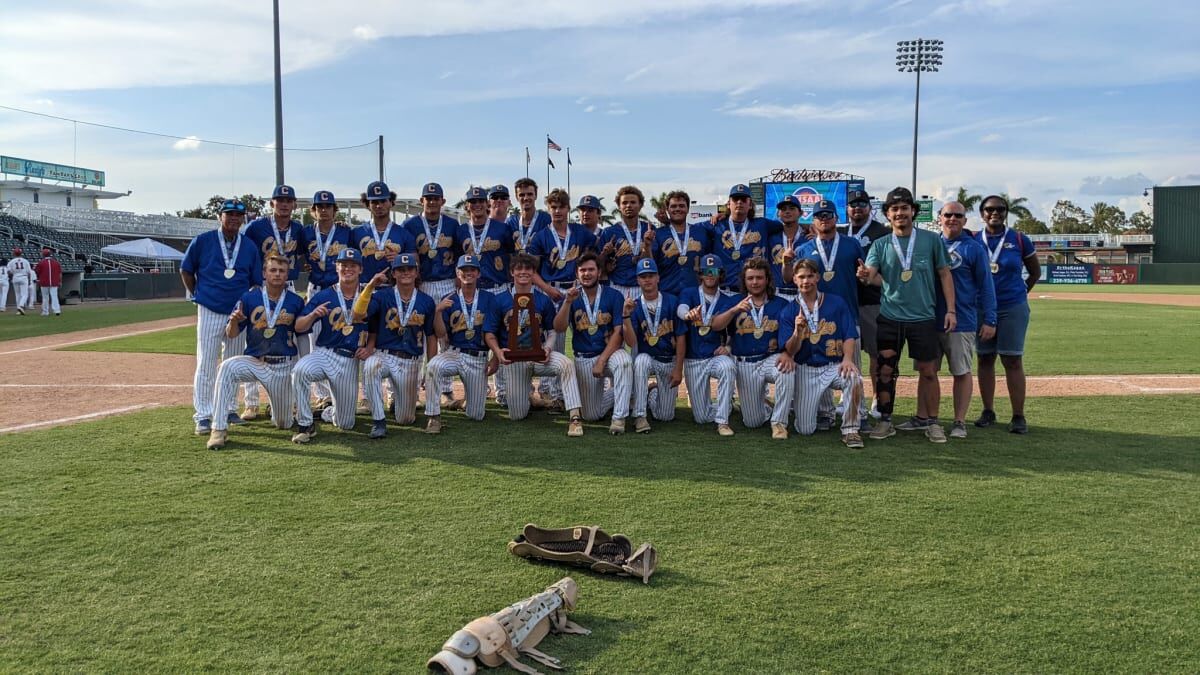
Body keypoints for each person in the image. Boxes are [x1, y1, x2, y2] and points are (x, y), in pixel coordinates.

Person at [856, 187, 956, 443]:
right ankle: (885, 421)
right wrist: (866, 276)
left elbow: (945, 274)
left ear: (913, 211)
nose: (899, 213)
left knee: (929, 371)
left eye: (904, 208)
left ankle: (932, 422)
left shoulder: (931, 240)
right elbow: (873, 275)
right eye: (894, 209)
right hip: (890, 316)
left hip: (923, 317)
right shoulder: (880, 244)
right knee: (886, 371)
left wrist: (951, 310)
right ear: (887, 214)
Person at [899, 202, 997, 439]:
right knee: (926, 370)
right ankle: (923, 417)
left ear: (965, 220)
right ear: (939, 218)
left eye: (958, 215)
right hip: (928, 319)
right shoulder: (928, 245)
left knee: (961, 371)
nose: (952, 219)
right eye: (948, 214)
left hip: (961, 320)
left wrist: (990, 319)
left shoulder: (973, 249)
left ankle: (959, 421)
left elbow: (986, 286)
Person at [205, 254, 306, 450]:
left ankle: (278, 408)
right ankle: (218, 429)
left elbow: (301, 335)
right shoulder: (249, 297)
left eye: (282, 271)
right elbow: (232, 334)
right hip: (256, 362)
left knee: (283, 423)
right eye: (273, 270)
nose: (277, 274)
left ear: (287, 275)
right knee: (226, 367)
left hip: (282, 365)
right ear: (264, 273)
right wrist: (233, 320)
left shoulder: (295, 301)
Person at [180, 199, 263, 435]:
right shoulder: (203, 241)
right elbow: (186, 269)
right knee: (206, 362)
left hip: (238, 311)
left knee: (233, 364)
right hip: (209, 308)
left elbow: (256, 281)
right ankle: (204, 415)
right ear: (220, 217)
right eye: (229, 215)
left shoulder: (248, 246)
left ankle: (228, 409)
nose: (234, 219)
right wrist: (197, 293)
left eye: (239, 215)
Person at [483, 253, 584, 436]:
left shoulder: (543, 299)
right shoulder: (499, 299)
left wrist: (548, 348)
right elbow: (490, 333)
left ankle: (575, 416)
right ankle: (527, 397)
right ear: (512, 272)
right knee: (517, 415)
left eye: (527, 269)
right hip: (514, 361)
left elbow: (553, 330)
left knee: (566, 364)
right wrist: (498, 352)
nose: (523, 272)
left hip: (539, 356)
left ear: (533, 272)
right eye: (518, 268)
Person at [796, 198, 867, 429]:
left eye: (828, 215)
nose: (824, 219)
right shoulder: (804, 249)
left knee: (852, 365)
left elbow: (863, 274)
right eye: (819, 216)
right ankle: (826, 412)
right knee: (820, 364)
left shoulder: (852, 244)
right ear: (813, 220)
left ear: (836, 218)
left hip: (848, 314)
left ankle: (858, 412)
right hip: (816, 316)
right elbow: (792, 279)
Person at [527, 188, 599, 410]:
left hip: (575, 290)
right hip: (551, 291)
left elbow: (595, 250)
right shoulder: (541, 236)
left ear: (569, 209)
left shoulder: (579, 232)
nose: (557, 211)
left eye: (562, 207)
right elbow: (531, 270)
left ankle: (587, 384)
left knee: (585, 332)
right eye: (553, 207)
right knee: (553, 340)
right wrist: (547, 289)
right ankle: (550, 392)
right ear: (548, 209)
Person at [780, 259, 865, 448]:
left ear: (817, 277)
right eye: (801, 277)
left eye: (810, 276)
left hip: (832, 366)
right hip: (806, 369)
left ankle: (851, 430)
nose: (806, 281)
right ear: (794, 279)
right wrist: (797, 332)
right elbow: (790, 350)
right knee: (805, 429)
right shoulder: (789, 310)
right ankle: (823, 413)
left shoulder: (836, 302)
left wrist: (848, 359)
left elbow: (849, 334)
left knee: (853, 377)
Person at [974, 194, 1040, 434]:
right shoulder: (973, 240)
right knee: (984, 358)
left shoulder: (1020, 240)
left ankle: (1018, 415)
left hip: (1011, 306)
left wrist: (1020, 294)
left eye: (1000, 209)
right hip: (981, 307)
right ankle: (988, 410)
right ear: (982, 213)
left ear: (1006, 213)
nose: (995, 213)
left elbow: (1034, 273)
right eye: (990, 209)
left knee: (1012, 359)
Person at [290, 249, 370, 443]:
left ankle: (327, 412)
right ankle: (305, 424)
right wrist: (313, 315)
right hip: (325, 353)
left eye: (352, 265)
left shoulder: (370, 294)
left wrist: (371, 347)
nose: (347, 269)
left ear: (360, 269)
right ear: (337, 268)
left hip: (349, 360)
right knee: (300, 371)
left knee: (345, 423)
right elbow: (298, 326)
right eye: (343, 265)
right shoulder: (325, 294)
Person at [710, 256, 795, 439]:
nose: (755, 282)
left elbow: (787, 337)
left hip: (770, 357)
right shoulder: (735, 301)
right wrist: (734, 310)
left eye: (759, 277)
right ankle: (764, 405)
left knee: (785, 370)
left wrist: (787, 354)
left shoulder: (781, 304)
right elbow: (715, 325)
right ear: (744, 280)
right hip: (745, 362)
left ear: (767, 280)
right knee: (752, 422)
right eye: (750, 278)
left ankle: (779, 422)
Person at [354, 253, 436, 439]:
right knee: (370, 366)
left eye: (409, 269)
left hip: (411, 360)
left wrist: (429, 367)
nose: (405, 273)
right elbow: (358, 314)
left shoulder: (426, 301)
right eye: (400, 270)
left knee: (405, 419)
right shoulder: (382, 295)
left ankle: (398, 404)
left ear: (416, 273)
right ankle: (378, 421)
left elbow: (431, 337)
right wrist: (369, 286)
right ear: (394, 274)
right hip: (385, 354)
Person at [553, 252, 632, 434]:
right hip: (584, 356)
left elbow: (618, 333)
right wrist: (567, 303)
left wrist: (602, 360)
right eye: (582, 270)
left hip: (610, 353)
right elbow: (559, 327)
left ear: (599, 272)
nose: (587, 274)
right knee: (591, 415)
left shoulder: (613, 295)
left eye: (591, 270)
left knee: (624, 362)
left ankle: (619, 419)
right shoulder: (572, 296)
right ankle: (632, 391)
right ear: (577, 274)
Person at [424, 254, 497, 433]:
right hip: (455, 353)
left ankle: (468, 400)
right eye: (464, 270)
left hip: (479, 357)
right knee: (434, 366)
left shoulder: (489, 298)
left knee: (476, 414)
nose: (468, 273)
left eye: (472, 270)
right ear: (457, 273)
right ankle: (433, 416)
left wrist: (495, 358)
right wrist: (438, 312)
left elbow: (497, 331)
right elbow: (441, 333)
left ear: (478, 273)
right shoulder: (449, 298)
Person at [840, 189, 890, 419]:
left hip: (872, 301)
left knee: (876, 354)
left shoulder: (882, 232)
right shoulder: (839, 231)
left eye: (862, 203)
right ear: (847, 208)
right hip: (844, 303)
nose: (857, 207)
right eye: (853, 204)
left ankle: (879, 401)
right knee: (844, 354)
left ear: (870, 207)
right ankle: (846, 398)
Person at [622, 258, 686, 433]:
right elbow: (631, 342)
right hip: (647, 357)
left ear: (658, 277)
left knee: (665, 416)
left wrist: (679, 368)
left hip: (668, 359)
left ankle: (652, 391)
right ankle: (640, 416)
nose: (647, 280)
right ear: (637, 280)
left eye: (651, 276)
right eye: (643, 276)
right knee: (641, 360)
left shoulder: (672, 301)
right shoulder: (634, 306)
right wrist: (626, 317)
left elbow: (681, 337)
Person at [677, 254, 738, 435]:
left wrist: (727, 347)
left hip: (714, 356)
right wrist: (687, 315)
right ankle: (725, 407)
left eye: (714, 271)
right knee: (701, 418)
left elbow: (734, 333)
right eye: (706, 271)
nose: (710, 275)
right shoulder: (689, 293)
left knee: (727, 366)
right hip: (693, 358)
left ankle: (723, 421)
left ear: (720, 274)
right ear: (701, 275)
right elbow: (681, 309)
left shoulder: (728, 300)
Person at [711, 184, 779, 293]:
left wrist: (810, 227)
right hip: (724, 292)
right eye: (735, 199)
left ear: (750, 204)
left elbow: (789, 224)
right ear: (728, 204)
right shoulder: (716, 225)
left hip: (754, 292)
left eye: (743, 199)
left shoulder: (762, 224)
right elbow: (687, 228)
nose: (739, 202)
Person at [403, 182, 461, 300]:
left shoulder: (452, 224)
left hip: (448, 282)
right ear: (421, 200)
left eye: (436, 198)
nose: (432, 202)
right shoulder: (409, 224)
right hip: (423, 282)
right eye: (428, 198)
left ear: (443, 201)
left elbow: (458, 253)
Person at [352, 181, 417, 283]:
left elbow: (416, 265)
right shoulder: (356, 233)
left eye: (383, 201)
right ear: (368, 205)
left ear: (391, 202)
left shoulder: (404, 234)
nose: (379, 206)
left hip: (394, 290)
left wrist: (401, 260)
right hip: (364, 289)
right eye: (374, 202)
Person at [243, 185, 306, 288]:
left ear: (294, 205)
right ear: (272, 204)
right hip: (262, 283)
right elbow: (243, 253)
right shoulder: (255, 226)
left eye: (289, 201)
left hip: (288, 283)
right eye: (280, 200)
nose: (284, 204)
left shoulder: (298, 228)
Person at [651, 190, 712, 297]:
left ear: (688, 209)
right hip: (666, 293)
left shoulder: (701, 231)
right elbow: (651, 262)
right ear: (667, 210)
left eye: (681, 206)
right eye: (673, 206)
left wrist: (723, 214)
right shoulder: (658, 234)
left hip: (696, 293)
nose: (678, 209)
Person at [598, 185, 654, 298]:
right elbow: (599, 267)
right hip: (616, 286)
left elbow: (653, 262)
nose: (628, 205)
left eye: (633, 202)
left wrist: (647, 246)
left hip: (643, 287)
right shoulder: (609, 232)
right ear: (619, 206)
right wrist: (605, 254)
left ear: (640, 205)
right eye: (624, 203)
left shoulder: (649, 229)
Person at [462, 186, 515, 294]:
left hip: (499, 288)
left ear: (487, 204)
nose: (477, 204)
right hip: (473, 291)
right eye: (473, 201)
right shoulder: (461, 230)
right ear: (467, 206)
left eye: (481, 201)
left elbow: (512, 256)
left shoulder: (503, 228)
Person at [769, 195, 810, 302]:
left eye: (792, 208)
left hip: (802, 294)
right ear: (778, 214)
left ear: (800, 213)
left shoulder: (809, 238)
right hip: (776, 294)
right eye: (783, 209)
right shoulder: (771, 238)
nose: (787, 212)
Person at [507, 177, 551, 254]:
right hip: (516, 265)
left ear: (536, 196)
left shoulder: (546, 220)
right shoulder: (511, 222)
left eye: (530, 194)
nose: (526, 198)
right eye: (522, 195)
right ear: (517, 197)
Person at [34, 248, 62, 316]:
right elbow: (60, 273)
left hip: (44, 282)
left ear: (43, 254)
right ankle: (57, 310)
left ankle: (45, 312)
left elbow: (37, 272)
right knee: (54, 296)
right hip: (54, 282)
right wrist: (60, 281)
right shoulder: (56, 262)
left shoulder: (41, 263)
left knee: (45, 297)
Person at [6, 248, 33, 316]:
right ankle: (20, 306)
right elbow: (29, 272)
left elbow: (8, 271)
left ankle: (19, 310)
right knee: (24, 294)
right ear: (21, 253)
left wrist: (13, 274)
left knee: (17, 294)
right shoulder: (25, 261)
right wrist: (29, 280)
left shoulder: (11, 261)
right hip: (24, 277)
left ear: (14, 253)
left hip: (15, 277)